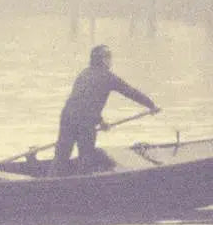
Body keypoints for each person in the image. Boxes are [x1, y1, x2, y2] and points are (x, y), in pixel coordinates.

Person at [49, 44, 160, 176]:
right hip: (85, 121)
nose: (111, 60)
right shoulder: (108, 77)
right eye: (109, 57)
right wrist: (151, 105)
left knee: (61, 155)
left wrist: (100, 121)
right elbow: (130, 92)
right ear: (103, 60)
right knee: (86, 157)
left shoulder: (83, 74)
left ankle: (50, 181)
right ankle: (82, 187)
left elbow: (82, 102)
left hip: (67, 117)